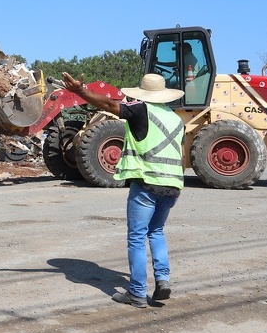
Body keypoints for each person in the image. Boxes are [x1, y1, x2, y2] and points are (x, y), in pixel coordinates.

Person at [61, 71, 186, 308]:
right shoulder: (176, 119)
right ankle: (163, 280)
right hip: (173, 186)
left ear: (144, 93)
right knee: (157, 232)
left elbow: (109, 104)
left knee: (137, 237)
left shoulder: (141, 110)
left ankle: (137, 292)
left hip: (147, 184)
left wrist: (79, 91)